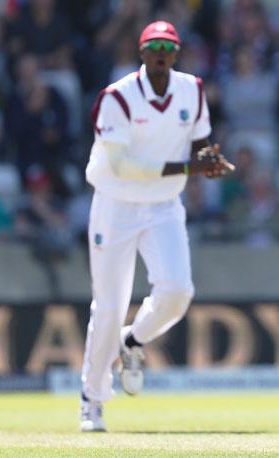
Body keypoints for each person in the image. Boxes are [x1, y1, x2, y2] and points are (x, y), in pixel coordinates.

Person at [80, 21, 234, 433]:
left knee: (178, 291)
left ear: (177, 52)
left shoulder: (192, 89)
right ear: (141, 52)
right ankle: (93, 400)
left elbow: (200, 139)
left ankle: (132, 342)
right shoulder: (119, 97)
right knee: (109, 306)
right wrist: (188, 167)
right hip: (116, 203)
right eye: (154, 47)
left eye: (169, 46)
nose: (161, 53)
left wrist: (209, 161)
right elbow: (121, 165)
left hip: (164, 204)